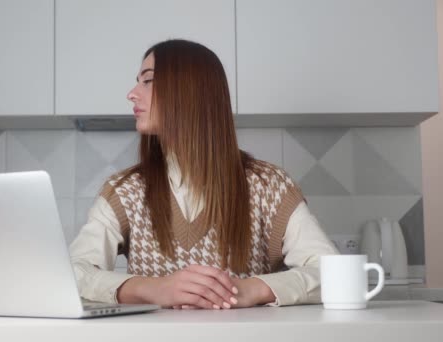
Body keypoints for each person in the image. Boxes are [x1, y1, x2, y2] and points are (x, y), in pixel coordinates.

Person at [69, 39, 339, 310]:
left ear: (189, 91)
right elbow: (72, 273)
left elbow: (334, 272)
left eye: (147, 81)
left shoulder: (269, 186)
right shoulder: (125, 191)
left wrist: (252, 289)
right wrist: (154, 289)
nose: (132, 93)